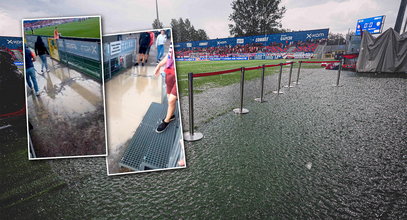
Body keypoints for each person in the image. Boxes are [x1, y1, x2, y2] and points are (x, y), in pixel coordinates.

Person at [154, 42, 177, 133]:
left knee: (171, 99)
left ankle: (166, 121)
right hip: (169, 73)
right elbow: (169, 54)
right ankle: (171, 116)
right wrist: (159, 65)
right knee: (169, 99)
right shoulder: (172, 40)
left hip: (177, 74)